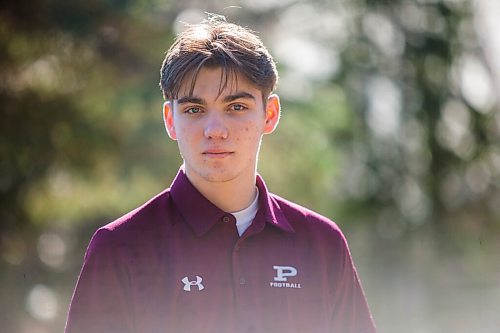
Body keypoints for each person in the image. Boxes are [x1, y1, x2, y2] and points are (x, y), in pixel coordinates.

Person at [65, 14, 377, 333]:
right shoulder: (120, 247)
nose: (215, 130)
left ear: (269, 114)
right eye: (194, 110)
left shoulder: (322, 244)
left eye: (236, 107)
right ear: (170, 120)